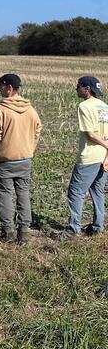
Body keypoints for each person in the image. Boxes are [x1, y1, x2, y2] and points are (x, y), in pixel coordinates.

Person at [0, 73, 42, 244]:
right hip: (25, 159)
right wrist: (30, 149)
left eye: (1, 86)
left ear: (9, 88)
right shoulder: (31, 110)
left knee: (4, 195)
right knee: (23, 193)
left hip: (4, 160)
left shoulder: (0, 110)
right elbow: (37, 131)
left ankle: (8, 232)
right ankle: (24, 232)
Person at [62, 76, 108, 239]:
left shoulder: (84, 106)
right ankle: (97, 226)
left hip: (89, 156)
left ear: (87, 89)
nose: (76, 89)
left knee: (75, 192)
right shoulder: (104, 107)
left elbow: (90, 133)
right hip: (103, 157)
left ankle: (73, 229)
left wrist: (105, 145)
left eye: (78, 86)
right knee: (98, 191)